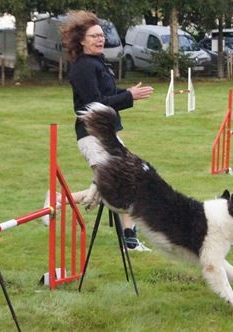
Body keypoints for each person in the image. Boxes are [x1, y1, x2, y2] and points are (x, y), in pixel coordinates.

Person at [51, 10, 154, 251]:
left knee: (128, 181)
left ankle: (129, 238)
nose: (100, 39)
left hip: (107, 134)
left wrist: (127, 94)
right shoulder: (83, 68)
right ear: (82, 41)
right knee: (112, 185)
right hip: (92, 136)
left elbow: (108, 94)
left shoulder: (97, 63)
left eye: (101, 35)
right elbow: (94, 103)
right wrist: (128, 96)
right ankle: (58, 199)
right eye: (94, 36)